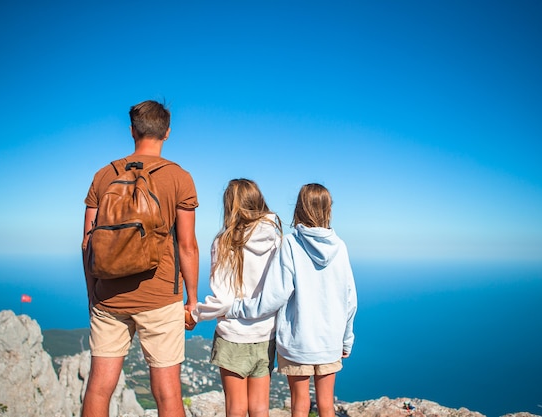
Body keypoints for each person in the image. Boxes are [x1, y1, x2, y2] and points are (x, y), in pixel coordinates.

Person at [81, 100, 199, 417]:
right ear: (167, 133)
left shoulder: (104, 176)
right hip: (161, 297)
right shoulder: (179, 178)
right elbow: (187, 245)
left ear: (132, 130)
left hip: (108, 296)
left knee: (99, 387)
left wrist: (93, 292)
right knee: (167, 391)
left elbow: (87, 242)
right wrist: (191, 299)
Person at [226, 183, 357, 417]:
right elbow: (350, 300)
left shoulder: (290, 244)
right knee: (327, 406)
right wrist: (346, 340)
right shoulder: (341, 247)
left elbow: (275, 295)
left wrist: (236, 308)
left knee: (299, 404)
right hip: (330, 342)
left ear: (300, 208)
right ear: (329, 209)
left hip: (298, 342)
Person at [185, 178, 282, 417]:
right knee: (260, 408)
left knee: (236, 408)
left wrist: (195, 313)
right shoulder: (277, 240)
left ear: (229, 206)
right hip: (265, 334)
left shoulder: (223, 242)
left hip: (233, 335)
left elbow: (222, 298)